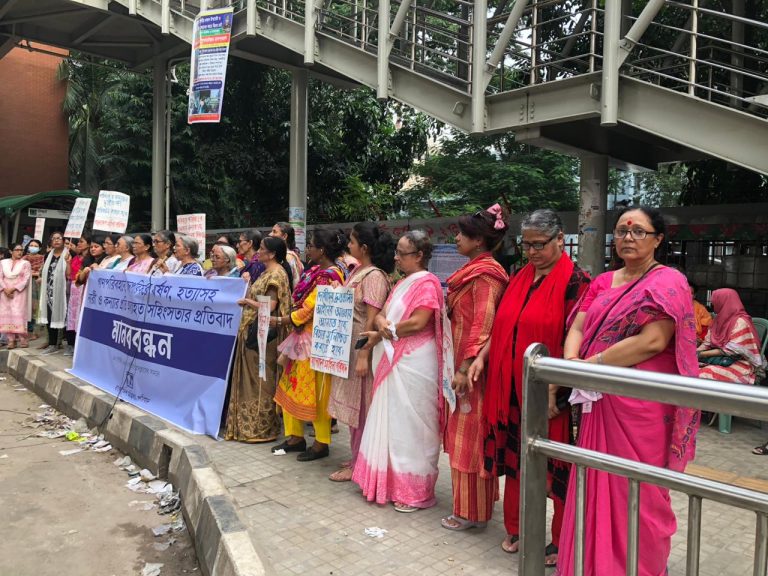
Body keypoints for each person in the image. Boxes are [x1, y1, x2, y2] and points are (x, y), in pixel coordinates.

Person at [554, 206, 700, 576]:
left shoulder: (668, 282)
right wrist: (572, 362)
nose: (628, 238)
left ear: (658, 239)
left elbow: (653, 342)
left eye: (638, 232)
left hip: (642, 409)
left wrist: (589, 368)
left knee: (641, 493)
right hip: (599, 401)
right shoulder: (603, 282)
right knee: (595, 483)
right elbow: (579, 326)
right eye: (621, 231)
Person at [467, 209, 590, 563]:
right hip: (509, 388)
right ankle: (520, 528)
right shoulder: (519, 277)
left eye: (540, 245)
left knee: (555, 465)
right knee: (518, 460)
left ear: (560, 240)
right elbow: (507, 325)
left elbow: (576, 340)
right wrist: (481, 357)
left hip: (551, 394)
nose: (533, 252)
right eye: (528, 245)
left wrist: (559, 390)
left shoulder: (577, 282)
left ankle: (557, 539)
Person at [352, 230, 448, 513]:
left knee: (413, 427)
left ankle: (414, 492)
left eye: (402, 253)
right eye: (396, 252)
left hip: (415, 362)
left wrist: (388, 328)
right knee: (393, 422)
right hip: (394, 355)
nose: (395, 257)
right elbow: (382, 312)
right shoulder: (401, 282)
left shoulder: (428, 284)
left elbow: (419, 322)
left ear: (418, 256)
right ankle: (387, 483)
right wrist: (383, 324)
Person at [441, 206, 509, 531]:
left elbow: (483, 326)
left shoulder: (485, 275)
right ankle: (472, 507)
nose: (456, 239)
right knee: (463, 436)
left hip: (472, 373)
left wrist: (465, 367)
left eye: (462, 234)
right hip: (463, 367)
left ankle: (471, 513)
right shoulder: (476, 271)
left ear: (478, 240)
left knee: (469, 439)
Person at [327, 222, 395, 482]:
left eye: (352, 242)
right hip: (351, 349)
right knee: (355, 407)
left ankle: (360, 464)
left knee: (362, 409)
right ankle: (358, 456)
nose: (349, 245)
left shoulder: (374, 276)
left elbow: (372, 319)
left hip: (361, 350)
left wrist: (365, 354)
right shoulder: (359, 271)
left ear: (364, 247)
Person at [272, 229, 346, 461]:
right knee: (290, 384)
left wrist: (286, 319)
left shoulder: (331, 276)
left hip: (318, 342)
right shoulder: (315, 271)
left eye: (311, 245)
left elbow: (311, 307)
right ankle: (295, 437)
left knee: (317, 392)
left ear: (322, 250)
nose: (308, 249)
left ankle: (321, 443)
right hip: (301, 338)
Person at [225, 237, 294, 443]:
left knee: (260, 380)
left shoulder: (275, 274)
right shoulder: (266, 272)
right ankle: (249, 426)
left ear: (272, 254)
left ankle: (260, 427)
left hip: (263, 336)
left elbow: (270, 306)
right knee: (253, 380)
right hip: (255, 332)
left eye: (262, 249)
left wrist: (248, 301)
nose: (258, 252)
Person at [698, 288, 766, 386]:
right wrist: (695, 353)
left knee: (704, 374)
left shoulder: (741, 321)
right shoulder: (718, 320)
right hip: (718, 358)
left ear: (724, 302)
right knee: (689, 368)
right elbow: (707, 343)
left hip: (741, 363)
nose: (713, 305)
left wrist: (701, 354)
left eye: (715, 302)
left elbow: (731, 351)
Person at [38, 232, 70, 355]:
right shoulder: (48, 255)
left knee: (61, 315)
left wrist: (68, 262)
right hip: (48, 291)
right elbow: (44, 271)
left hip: (62, 291)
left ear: (63, 240)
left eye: (59, 238)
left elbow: (68, 274)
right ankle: (52, 344)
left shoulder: (68, 254)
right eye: (53, 239)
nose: (56, 241)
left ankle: (59, 343)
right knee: (49, 315)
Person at [0, 243, 32, 349]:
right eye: (17, 250)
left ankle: (23, 338)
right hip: (5, 292)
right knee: (7, 314)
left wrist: (13, 288)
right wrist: (5, 289)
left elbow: (26, 279)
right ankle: (11, 340)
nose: (20, 252)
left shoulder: (25, 263)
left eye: (21, 250)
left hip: (18, 292)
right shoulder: (3, 263)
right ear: (10, 251)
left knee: (18, 313)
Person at [23, 239, 44, 341]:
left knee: (36, 308)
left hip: (37, 285)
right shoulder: (24, 258)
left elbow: (42, 272)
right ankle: (26, 331)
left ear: (39, 248)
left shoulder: (43, 258)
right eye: (31, 245)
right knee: (26, 308)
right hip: (25, 285)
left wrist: (33, 273)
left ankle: (35, 332)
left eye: (35, 246)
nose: (33, 247)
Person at [688, 278, 713, 344]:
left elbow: (706, 329)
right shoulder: (673, 307)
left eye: (691, 293)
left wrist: (700, 339)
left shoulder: (700, 309)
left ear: (694, 295)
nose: (687, 295)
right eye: (685, 292)